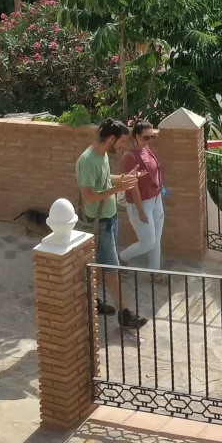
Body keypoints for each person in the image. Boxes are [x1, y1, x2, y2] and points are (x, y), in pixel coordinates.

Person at [77, 120, 145, 330]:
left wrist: (125, 178)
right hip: (101, 223)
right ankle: (125, 313)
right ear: (112, 138)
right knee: (112, 269)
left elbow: (106, 180)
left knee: (100, 264)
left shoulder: (103, 155)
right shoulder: (89, 160)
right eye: (121, 141)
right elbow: (88, 196)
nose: (122, 146)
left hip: (111, 218)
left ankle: (91, 301)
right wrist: (119, 188)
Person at [119, 119, 165, 270]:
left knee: (156, 240)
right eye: (146, 137)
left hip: (156, 200)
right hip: (141, 204)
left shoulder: (148, 150)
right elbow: (133, 186)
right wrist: (140, 211)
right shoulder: (130, 156)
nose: (149, 140)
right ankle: (122, 257)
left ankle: (155, 272)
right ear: (137, 136)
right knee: (148, 243)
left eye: (152, 136)